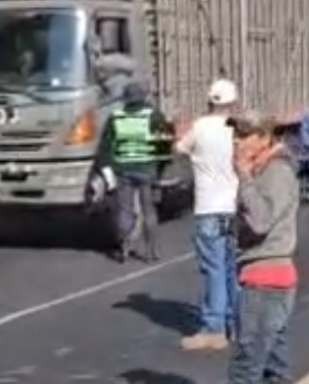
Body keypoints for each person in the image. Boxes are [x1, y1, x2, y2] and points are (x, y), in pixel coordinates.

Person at [226, 110, 300, 384]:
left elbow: (260, 221)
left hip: (266, 280)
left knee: (246, 368)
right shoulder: (264, 171)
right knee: (273, 365)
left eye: (243, 135)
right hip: (262, 276)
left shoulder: (276, 173)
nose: (236, 142)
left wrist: (244, 179)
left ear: (263, 138)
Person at [176, 79, 240, 352]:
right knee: (232, 268)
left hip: (208, 205)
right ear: (232, 103)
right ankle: (235, 324)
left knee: (213, 267)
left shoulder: (200, 127)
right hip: (234, 205)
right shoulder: (237, 130)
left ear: (210, 101)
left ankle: (214, 328)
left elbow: (179, 149)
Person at [97, 83, 173, 263]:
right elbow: (164, 143)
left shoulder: (116, 118)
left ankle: (124, 247)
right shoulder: (153, 116)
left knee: (125, 210)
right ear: (144, 97)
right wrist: (161, 167)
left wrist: (108, 173)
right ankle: (151, 251)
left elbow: (105, 149)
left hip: (123, 169)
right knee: (149, 210)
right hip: (147, 168)